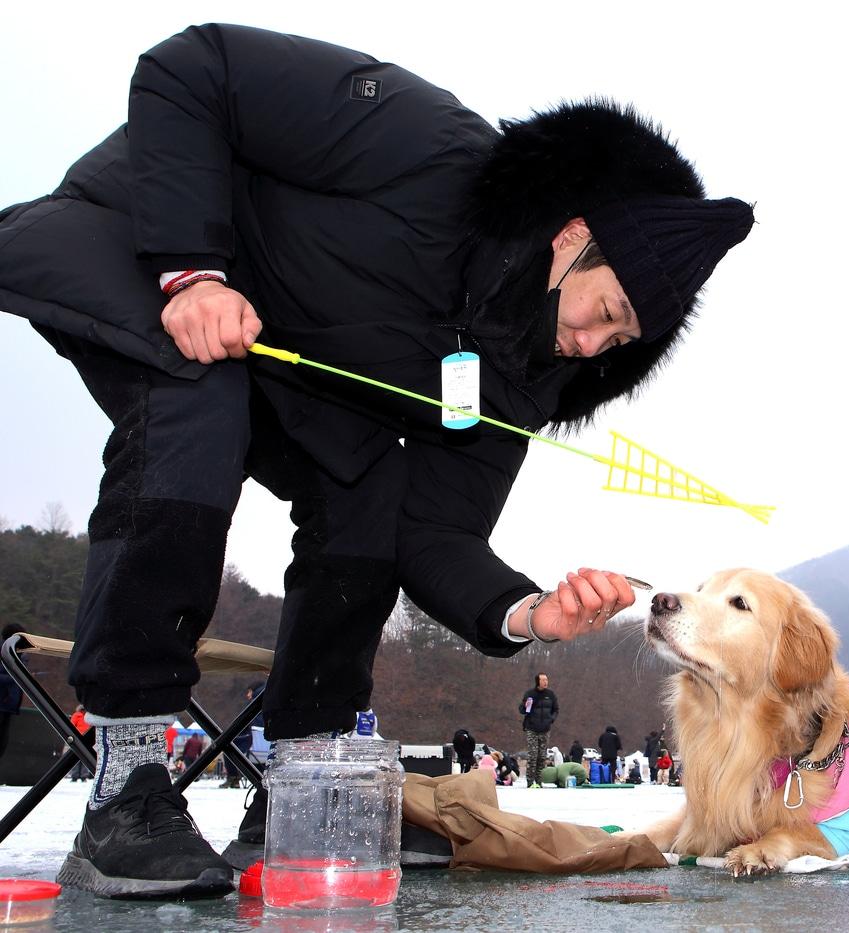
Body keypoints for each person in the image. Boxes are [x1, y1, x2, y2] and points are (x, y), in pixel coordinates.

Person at [0, 24, 751, 899]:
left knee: (364, 486)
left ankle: (299, 786)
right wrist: (193, 272)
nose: (591, 344)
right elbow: (192, 66)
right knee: (200, 398)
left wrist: (528, 611)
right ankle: (127, 780)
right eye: (603, 308)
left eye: (619, 338)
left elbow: (432, 529)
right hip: (137, 232)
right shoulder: (427, 147)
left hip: (271, 351)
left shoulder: (523, 376)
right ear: (571, 237)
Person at [520, 673, 559, 788]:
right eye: (543, 680)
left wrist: (551, 719)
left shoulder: (551, 695)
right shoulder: (530, 694)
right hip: (532, 728)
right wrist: (525, 706)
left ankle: (539, 780)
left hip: (545, 729)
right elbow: (522, 710)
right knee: (533, 755)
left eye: (546, 680)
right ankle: (530, 781)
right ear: (538, 681)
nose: (545, 682)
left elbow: (556, 710)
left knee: (542, 757)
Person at [0, 624, 26, 760]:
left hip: (9, 706)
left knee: (2, 743)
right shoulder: (4, 651)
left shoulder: (19, 654)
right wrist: (15, 678)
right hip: (2, 703)